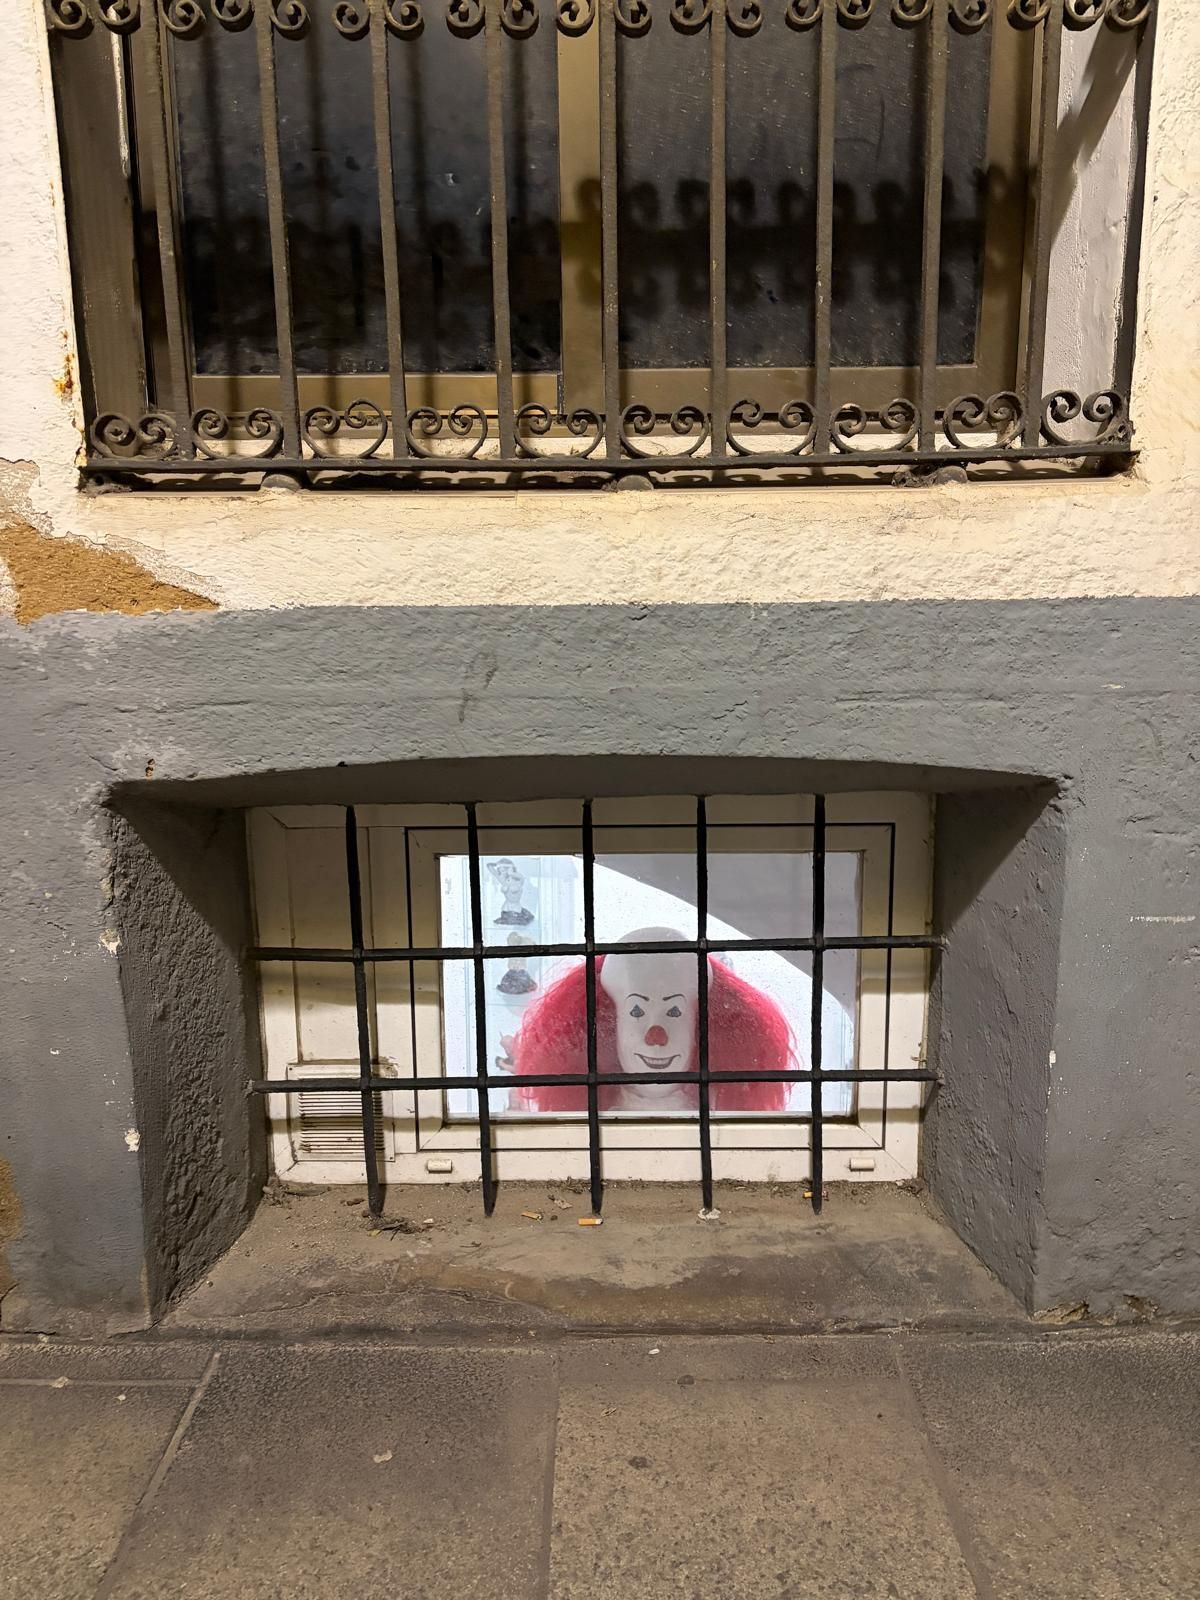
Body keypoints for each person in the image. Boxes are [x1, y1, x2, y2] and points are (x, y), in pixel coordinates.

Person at [512, 927, 791, 1114]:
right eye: (636, 1012)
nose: (656, 1036)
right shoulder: (595, 1113)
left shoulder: (715, 1109)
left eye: (674, 1012)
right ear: (607, 1018)